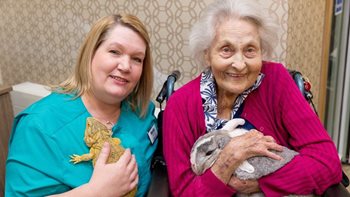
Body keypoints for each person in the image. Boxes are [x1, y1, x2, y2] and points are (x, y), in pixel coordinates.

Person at [162, 0, 343, 196]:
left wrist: (260, 182)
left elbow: (326, 162)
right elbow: (184, 191)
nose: (239, 64)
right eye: (226, 49)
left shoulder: (277, 81)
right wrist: (228, 160)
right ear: (207, 54)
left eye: (249, 50)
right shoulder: (180, 104)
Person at [6, 14, 157, 197]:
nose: (126, 66)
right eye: (115, 52)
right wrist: (95, 192)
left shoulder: (141, 111)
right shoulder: (38, 126)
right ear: (90, 54)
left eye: (137, 59)